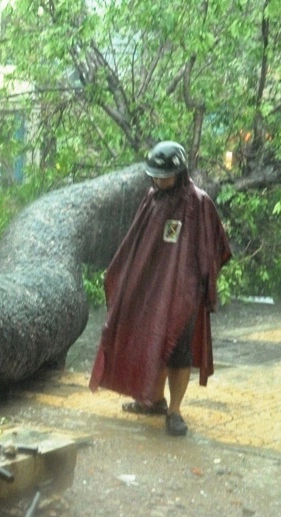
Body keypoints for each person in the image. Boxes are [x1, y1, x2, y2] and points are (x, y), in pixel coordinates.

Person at [89, 141, 232, 437]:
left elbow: (215, 246)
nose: (158, 180)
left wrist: (199, 282)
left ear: (179, 173)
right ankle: (152, 400)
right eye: (154, 176)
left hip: (183, 295)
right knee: (148, 342)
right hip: (153, 289)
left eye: (163, 176)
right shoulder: (152, 198)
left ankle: (175, 411)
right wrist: (127, 277)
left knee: (178, 352)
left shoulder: (199, 203)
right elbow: (138, 243)